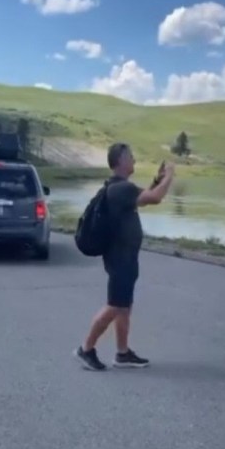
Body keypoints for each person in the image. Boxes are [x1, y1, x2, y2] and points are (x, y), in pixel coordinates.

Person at [75, 142, 174, 370]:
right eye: (130, 156)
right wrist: (169, 176)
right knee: (115, 305)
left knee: (124, 306)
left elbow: (146, 196)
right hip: (120, 258)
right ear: (120, 161)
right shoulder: (121, 189)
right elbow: (156, 198)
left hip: (124, 257)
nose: (134, 160)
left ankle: (122, 353)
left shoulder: (121, 188)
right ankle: (86, 349)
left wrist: (157, 180)